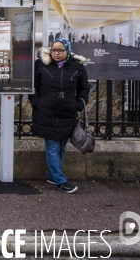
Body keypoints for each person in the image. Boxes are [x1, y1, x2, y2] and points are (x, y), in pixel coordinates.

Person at [29, 38, 90, 194]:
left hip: (67, 110)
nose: (56, 53)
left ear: (67, 51)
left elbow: (84, 88)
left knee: (62, 146)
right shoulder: (41, 65)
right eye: (53, 50)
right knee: (52, 147)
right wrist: (36, 103)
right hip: (47, 110)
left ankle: (51, 175)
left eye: (60, 50)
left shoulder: (77, 67)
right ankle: (60, 180)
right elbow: (33, 86)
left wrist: (79, 103)